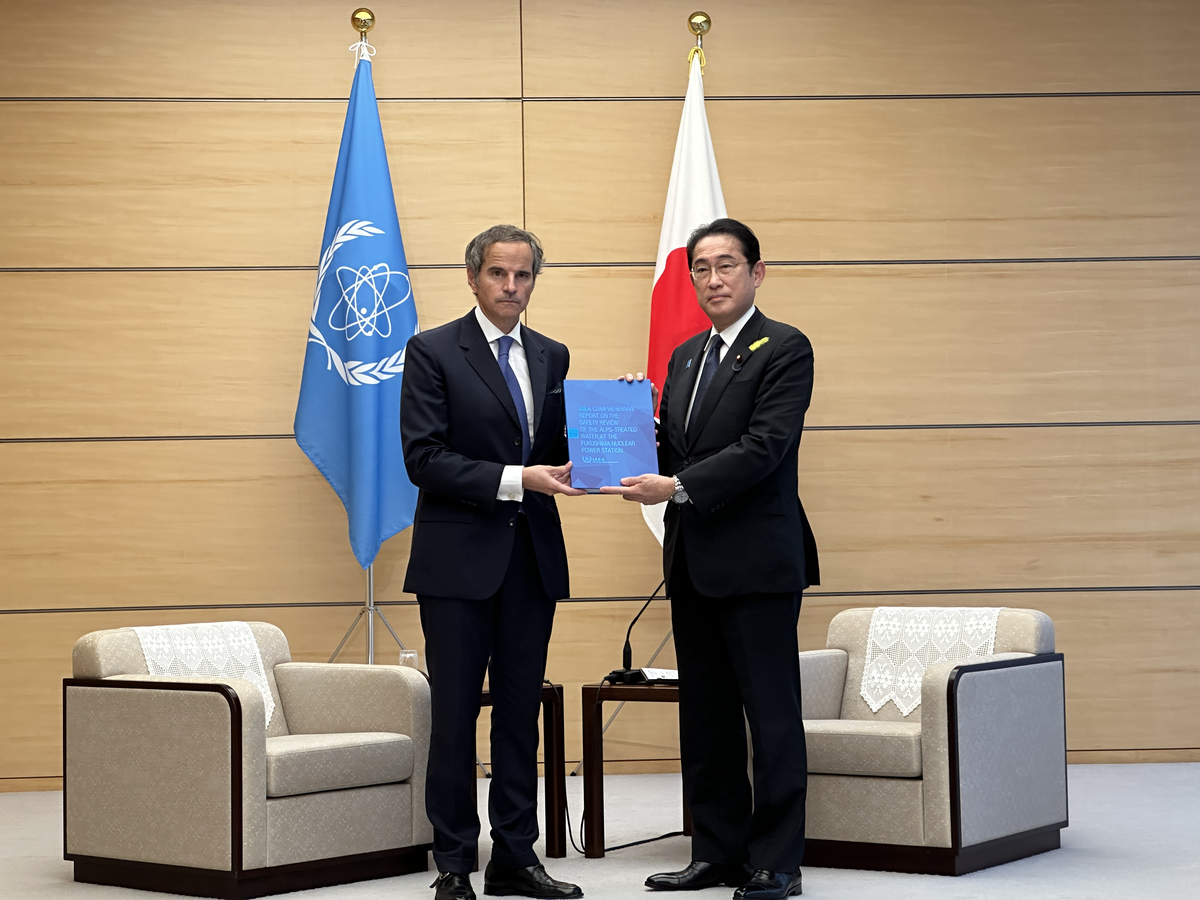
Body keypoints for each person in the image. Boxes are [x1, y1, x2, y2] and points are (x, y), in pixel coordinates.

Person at [605, 218, 819, 900]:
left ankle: (777, 861)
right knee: (706, 716)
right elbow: (677, 452)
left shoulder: (784, 348)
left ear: (758, 273)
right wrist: (633, 420)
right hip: (694, 560)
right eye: (701, 268)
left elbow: (765, 447)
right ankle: (717, 852)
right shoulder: (687, 356)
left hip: (758, 563)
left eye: (727, 265)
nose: (714, 279)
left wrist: (678, 486)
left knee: (771, 718)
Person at [400, 225, 586, 900]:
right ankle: (453, 862)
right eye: (500, 275)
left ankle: (515, 856)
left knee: (518, 714)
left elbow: (563, 450)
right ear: (473, 277)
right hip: (456, 567)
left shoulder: (552, 354)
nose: (513, 287)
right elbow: (424, 459)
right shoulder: (431, 351)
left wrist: (622, 414)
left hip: (529, 562)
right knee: (454, 716)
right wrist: (518, 478)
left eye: (525, 276)